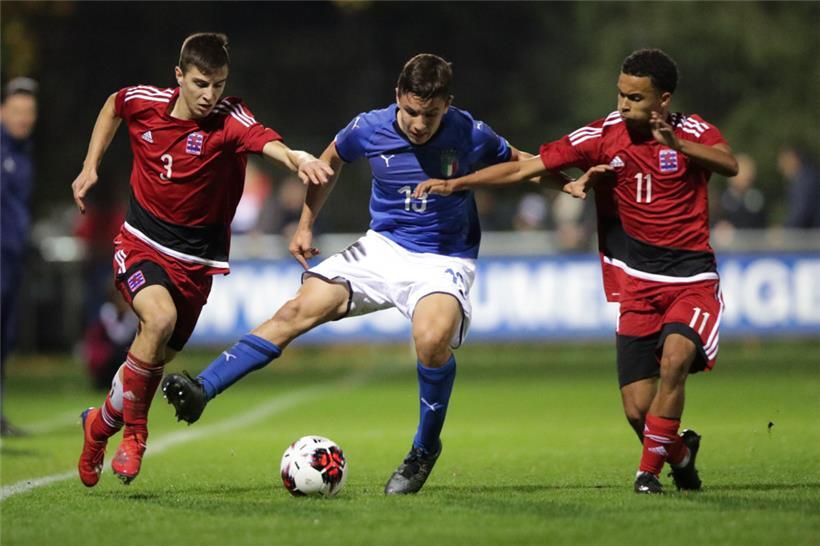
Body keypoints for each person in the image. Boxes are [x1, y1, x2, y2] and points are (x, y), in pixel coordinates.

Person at [161, 53, 563, 495]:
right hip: (381, 247)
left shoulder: (468, 131)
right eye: (410, 111)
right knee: (299, 308)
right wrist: (306, 224)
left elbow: (523, 162)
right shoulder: (368, 127)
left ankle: (425, 448)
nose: (418, 124)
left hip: (444, 258)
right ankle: (204, 388)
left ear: (447, 104)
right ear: (397, 98)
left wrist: (571, 184)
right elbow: (328, 163)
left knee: (431, 340)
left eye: (430, 114)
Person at [414, 49, 739, 494]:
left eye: (636, 97)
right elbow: (527, 167)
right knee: (636, 411)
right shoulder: (603, 134)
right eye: (621, 93)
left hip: (692, 281)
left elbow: (730, 163)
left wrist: (678, 146)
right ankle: (678, 453)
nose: (624, 104)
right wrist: (458, 183)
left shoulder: (692, 131)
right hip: (639, 285)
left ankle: (647, 474)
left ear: (663, 99)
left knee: (675, 360)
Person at [71, 32, 332, 487]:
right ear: (179, 76)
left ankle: (99, 426)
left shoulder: (229, 117)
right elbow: (114, 104)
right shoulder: (146, 102)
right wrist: (90, 164)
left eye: (218, 84)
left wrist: (295, 158)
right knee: (157, 321)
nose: (210, 95)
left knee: (153, 357)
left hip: (196, 264)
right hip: (140, 243)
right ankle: (135, 435)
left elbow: (265, 140)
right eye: (200, 84)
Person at [1, 76, 39, 438]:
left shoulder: (21, 151)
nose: (24, 118)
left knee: (5, 337)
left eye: (29, 112)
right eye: (17, 111)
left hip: (12, 259)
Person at [778, 144, 820, 229]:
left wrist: (783, 230)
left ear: (793, 160)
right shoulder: (808, 177)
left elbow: (800, 213)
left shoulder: (803, 182)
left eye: (783, 162)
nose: (780, 167)